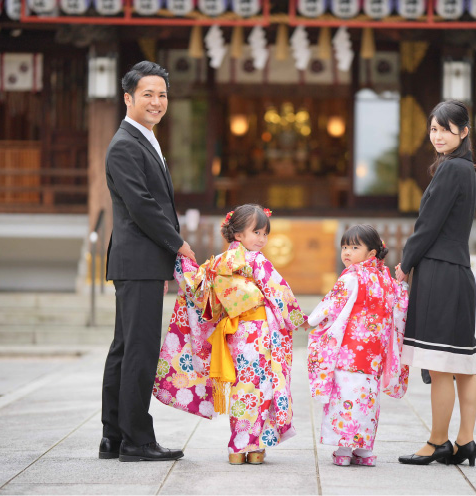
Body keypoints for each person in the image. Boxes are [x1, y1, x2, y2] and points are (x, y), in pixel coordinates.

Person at [153, 204, 306, 465]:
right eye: (256, 232)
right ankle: (254, 447)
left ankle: (237, 447)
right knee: (258, 388)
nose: (262, 239)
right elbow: (280, 292)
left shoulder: (219, 262)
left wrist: (183, 264)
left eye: (265, 234)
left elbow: (197, 287)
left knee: (241, 388)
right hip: (258, 334)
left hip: (234, 335)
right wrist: (296, 319)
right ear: (238, 235)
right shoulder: (258, 262)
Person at [100, 61, 196, 462]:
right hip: (137, 260)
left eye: (162, 95)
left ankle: (114, 437)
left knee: (125, 349)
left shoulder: (144, 138)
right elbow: (142, 206)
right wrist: (179, 245)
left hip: (140, 261)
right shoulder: (125, 144)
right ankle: (137, 440)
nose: (157, 102)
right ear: (128, 98)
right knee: (138, 351)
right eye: (147, 95)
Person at [395, 100, 476, 467]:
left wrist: (405, 264)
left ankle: (437, 442)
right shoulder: (466, 170)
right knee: (463, 362)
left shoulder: (450, 171)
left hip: (440, 274)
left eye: (445, 128)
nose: (438, 135)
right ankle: (465, 442)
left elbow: (427, 226)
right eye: (433, 129)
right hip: (459, 273)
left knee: (442, 363)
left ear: (464, 131)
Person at [307, 224, 410, 467]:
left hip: (349, 350)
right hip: (374, 353)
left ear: (372, 253)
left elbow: (332, 303)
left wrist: (311, 321)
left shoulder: (352, 276)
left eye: (354, 247)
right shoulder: (385, 279)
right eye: (344, 247)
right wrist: (403, 284)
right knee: (367, 399)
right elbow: (400, 306)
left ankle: (343, 451)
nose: (347, 252)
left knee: (344, 395)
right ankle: (364, 451)